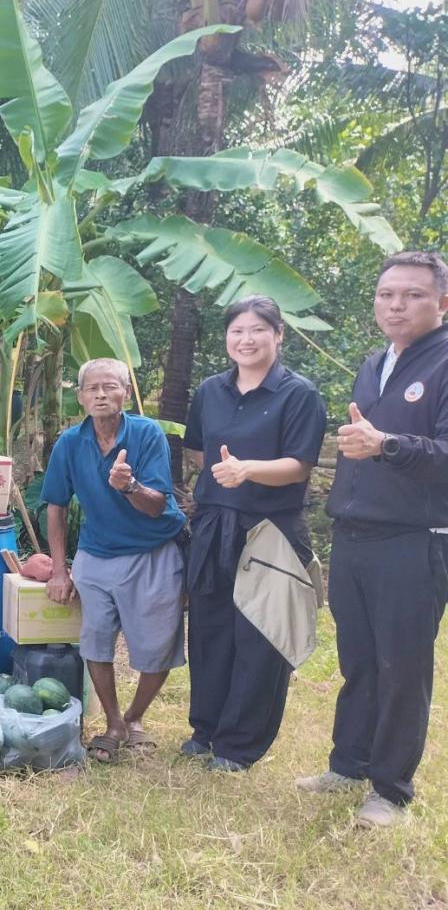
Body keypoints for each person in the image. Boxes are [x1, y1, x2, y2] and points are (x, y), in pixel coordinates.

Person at [298, 251, 448, 828]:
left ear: (441, 302)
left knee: (402, 667)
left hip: (414, 539)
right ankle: (349, 763)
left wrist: (387, 444)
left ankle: (391, 789)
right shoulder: (376, 363)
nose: (396, 305)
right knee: (359, 660)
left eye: (412, 295)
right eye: (386, 294)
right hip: (355, 534)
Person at [182, 295, 326, 773]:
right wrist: (227, 478)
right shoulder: (210, 390)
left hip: (271, 529)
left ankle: (238, 746)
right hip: (214, 524)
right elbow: (199, 450)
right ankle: (205, 730)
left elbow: (299, 465)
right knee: (210, 631)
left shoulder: (299, 394)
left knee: (260, 637)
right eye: (237, 331)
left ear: (278, 335)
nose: (246, 339)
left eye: (258, 330)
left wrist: (247, 471)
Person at [42, 358, 188, 763]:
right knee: (95, 640)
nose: (101, 395)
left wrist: (130, 485)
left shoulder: (147, 434)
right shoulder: (70, 443)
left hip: (152, 550)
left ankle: (135, 716)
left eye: (110, 387)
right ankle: (113, 723)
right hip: (97, 552)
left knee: (157, 646)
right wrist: (59, 570)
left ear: (125, 393)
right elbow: (55, 505)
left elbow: (157, 506)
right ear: (80, 397)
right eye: (92, 388)